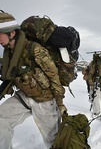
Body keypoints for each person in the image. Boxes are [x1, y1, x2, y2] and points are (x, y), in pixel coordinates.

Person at [0, 11, 67, 148]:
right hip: (24, 96)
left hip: (45, 101)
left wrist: (60, 104)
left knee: (53, 141)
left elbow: (54, 77)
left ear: (11, 33)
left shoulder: (35, 49)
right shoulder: (9, 53)